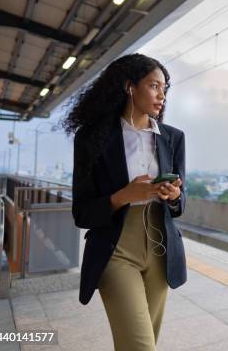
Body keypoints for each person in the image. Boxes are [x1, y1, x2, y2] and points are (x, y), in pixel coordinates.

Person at [60, 53, 187, 350]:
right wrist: (123, 196)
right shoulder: (92, 138)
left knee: (142, 343)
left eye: (165, 88)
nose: (162, 95)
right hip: (115, 251)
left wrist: (175, 196)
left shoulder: (173, 137)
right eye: (154, 86)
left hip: (161, 252)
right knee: (140, 346)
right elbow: (82, 213)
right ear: (130, 87)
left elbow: (181, 205)